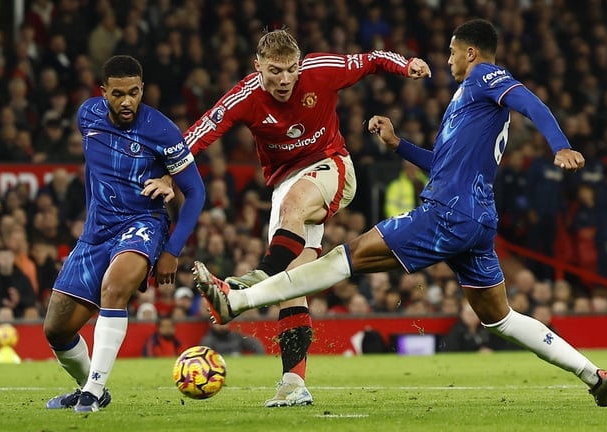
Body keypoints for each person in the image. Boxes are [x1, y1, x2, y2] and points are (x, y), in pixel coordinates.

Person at [194, 19, 607, 407]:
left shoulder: (486, 78)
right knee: (500, 318)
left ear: (470, 52)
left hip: (448, 213)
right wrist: (398, 145)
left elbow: (530, 101)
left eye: (453, 51)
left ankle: (239, 299)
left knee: (344, 259)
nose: (449, 58)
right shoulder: (470, 101)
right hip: (476, 220)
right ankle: (594, 374)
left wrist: (560, 144)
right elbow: (444, 164)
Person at [184, 29, 429, 407]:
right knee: (294, 285)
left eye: (290, 70)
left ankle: (250, 282)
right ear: (258, 67)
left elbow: (368, 61)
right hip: (284, 187)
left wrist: (406, 63)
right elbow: (205, 129)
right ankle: (293, 384)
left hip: (331, 165)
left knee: (295, 208)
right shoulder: (246, 95)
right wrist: (169, 170)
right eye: (275, 71)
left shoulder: (320, 70)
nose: (284, 80)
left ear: (300, 65)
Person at [42, 55, 205, 413]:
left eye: (134, 92)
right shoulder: (87, 116)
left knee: (114, 289)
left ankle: (93, 393)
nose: (127, 101)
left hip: (143, 224)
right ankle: (89, 384)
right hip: (97, 232)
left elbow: (196, 192)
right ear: (103, 92)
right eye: (118, 94)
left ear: (142, 89)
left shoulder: (162, 131)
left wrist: (173, 250)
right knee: (56, 329)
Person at [199, 322, 266, 356]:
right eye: (218, 323)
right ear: (211, 324)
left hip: (241, 368)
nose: (222, 325)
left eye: (224, 322)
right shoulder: (207, 341)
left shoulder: (236, 336)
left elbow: (256, 345)